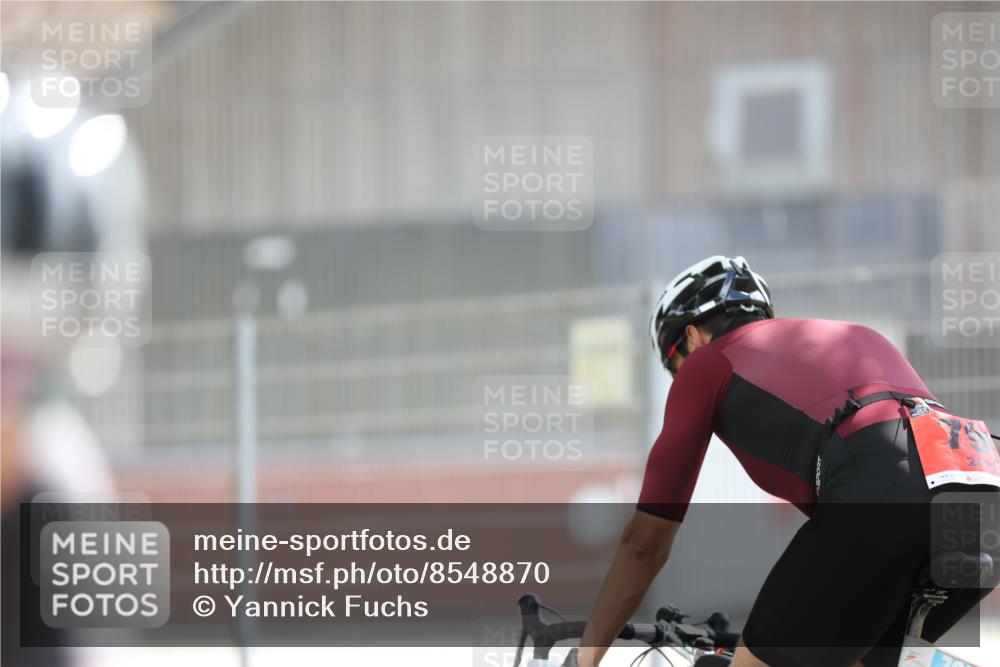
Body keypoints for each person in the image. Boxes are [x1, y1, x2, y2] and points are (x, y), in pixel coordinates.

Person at [577, 256, 999, 667]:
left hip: (883, 485)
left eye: (674, 365)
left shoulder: (709, 361)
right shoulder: (853, 335)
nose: (678, 378)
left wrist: (586, 657)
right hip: (981, 487)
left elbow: (644, 543)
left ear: (692, 336)